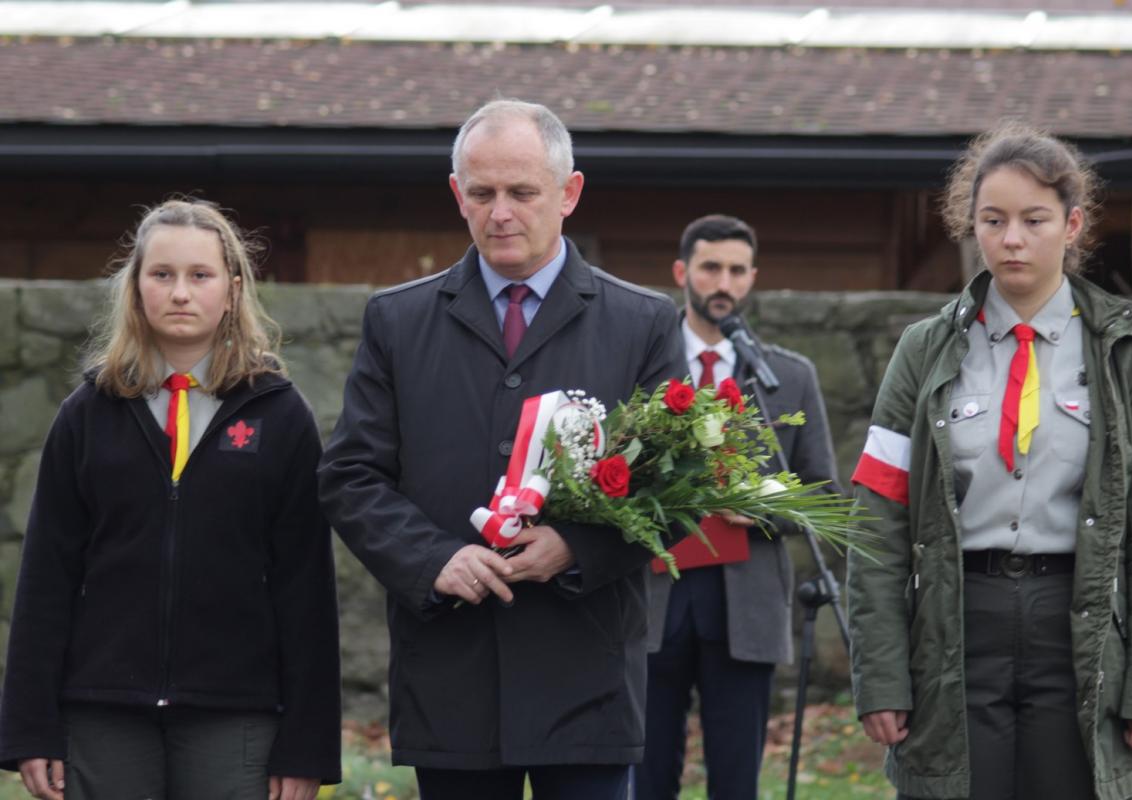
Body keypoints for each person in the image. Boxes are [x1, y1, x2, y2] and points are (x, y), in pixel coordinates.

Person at [317, 99, 683, 800]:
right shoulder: (397, 320)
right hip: (451, 673)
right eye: (482, 194)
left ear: (569, 193)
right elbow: (351, 476)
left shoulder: (644, 322)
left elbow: (675, 488)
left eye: (522, 192)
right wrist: (434, 558)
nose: (501, 213)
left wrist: (576, 548)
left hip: (586, 674)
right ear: (458, 195)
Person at [847, 123, 1132, 800]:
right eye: (993, 220)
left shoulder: (1127, 353)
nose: (1012, 239)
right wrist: (880, 675)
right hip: (954, 625)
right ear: (970, 226)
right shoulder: (922, 350)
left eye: (1034, 220)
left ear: (1073, 224)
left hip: (1081, 627)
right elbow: (876, 521)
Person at [0, 199, 342, 800]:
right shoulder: (87, 414)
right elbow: (47, 578)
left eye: (200, 275)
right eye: (162, 274)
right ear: (136, 288)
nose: (180, 292)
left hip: (236, 715)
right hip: (103, 712)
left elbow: (306, 590)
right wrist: (31, 727)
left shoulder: (281, 416)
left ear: (232, 290)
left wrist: (306, 744)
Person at [634, 214, 839, 800]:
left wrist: (765, 509)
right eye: (710, 268)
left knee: (736, 780)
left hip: (743, 602)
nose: (723, 283)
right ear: (682, 273)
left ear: (751, 278)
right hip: (654, 598)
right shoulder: (642, 366)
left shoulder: (787, 378)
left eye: (736, 270)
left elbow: (822, 491)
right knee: (646, 777)